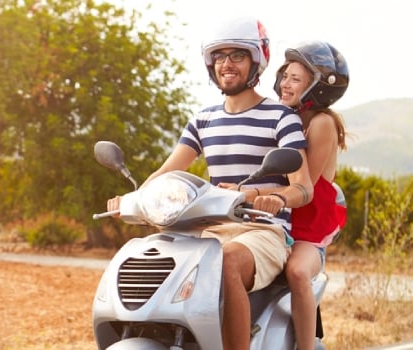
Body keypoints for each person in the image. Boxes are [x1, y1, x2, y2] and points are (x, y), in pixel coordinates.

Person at [108, 17, 314, 350]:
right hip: (210, 229)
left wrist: (271, 197)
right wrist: (134, 198)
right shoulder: (202, 120)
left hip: (262, 231)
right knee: (154, 256)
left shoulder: (280, 117)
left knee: (226, 259)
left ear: (255, 62)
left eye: (237, 56)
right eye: (219, 57)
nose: (226, 64)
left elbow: (303, 188)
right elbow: (168, 170)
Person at [273, 40, 350, 350]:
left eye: (295, 78)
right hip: (276, 220)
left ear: (317, 88)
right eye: (284, 76)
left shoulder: (321, 124)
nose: (284, 83)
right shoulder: (281, 116)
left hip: (306, 229)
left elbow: (305, 184)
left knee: (297, 271)